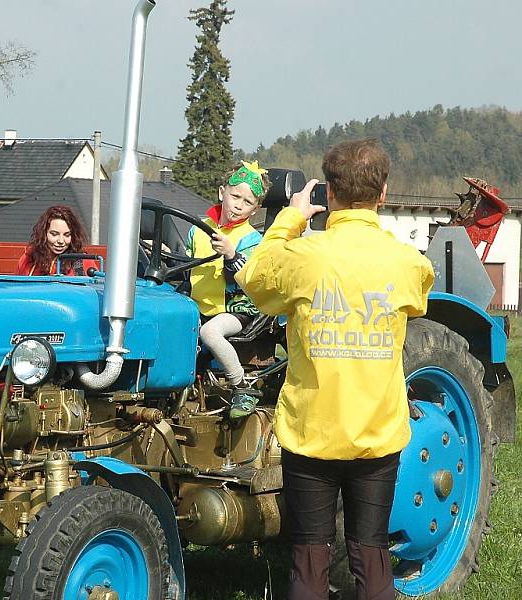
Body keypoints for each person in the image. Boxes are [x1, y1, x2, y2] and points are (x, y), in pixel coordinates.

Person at [236, 139, 435, 600]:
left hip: (313, 433)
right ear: (383, 192)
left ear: (328, 191)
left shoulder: (305, 256)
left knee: (309, 559)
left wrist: (292, 217)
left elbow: (254, 274)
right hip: (376, 435)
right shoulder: (405, 261)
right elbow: (420, 295)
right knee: (372, 555)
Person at [186, 160, 269, 419]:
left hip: (236, 308)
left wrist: (232, 255)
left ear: (255, 210)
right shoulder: (197, 229)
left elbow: (248, 278)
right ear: (222, 193)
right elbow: (185, 264)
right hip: (198, 305)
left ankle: (241, 387)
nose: (238, 205)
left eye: (247, 202)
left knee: (210, 332)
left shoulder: (252, 239)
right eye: (235, 196)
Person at [15, 205, 97, 276]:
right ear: (43, 234)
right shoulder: (29, 259)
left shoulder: (82, 262)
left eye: (67, 235)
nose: (61, 241)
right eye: (54, 234)